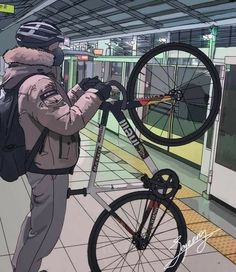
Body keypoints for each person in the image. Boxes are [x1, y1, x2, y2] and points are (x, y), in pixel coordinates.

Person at [2, 21, 111, 272]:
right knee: (45, 234)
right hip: (48, 167)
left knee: (35, 223)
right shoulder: (40, 82)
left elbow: (51, 112)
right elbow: (67, 122)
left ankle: (22, 266)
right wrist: (95, 96)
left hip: (39, 160)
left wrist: (79, 90)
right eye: (56, 45)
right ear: (44, 48)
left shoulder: (26, 76)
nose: (58, 50)